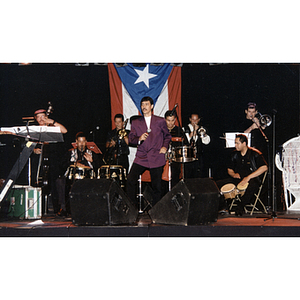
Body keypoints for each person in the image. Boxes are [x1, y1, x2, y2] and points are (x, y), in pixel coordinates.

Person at [126, 96, 172, 208]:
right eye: (142, 104)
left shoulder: (160, 121)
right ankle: (132, 207)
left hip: (156, 157)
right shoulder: (136, 122)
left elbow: (167, 136)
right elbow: (131, 140)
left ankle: (156, 210)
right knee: (130, 180)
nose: (144, 107)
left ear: (151, 106)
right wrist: (139, 139)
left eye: (146, 104)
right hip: (141, 157)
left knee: (157, 186)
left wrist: (164, 147)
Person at [217, 134, 268, 216]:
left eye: (237, 143)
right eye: (235, 143)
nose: (235, 145)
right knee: (217, 184)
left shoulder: (255, 154)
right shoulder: (234, 155)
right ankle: (223, 207)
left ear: (244, 143)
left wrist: (248, 177)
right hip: (238, 179)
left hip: (252, 179)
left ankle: (240, 207)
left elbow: (264, 167)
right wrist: (233, 174)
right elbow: (229, 169)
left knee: (251, 187)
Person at [56, 131, 101, 217]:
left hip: (87, 178)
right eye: (79, 141)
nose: (81, 144)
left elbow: (99, 167)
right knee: (60, 181)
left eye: (83, 141)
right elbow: (62, 165)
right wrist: (73, 163)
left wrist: (92, 161)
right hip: (72, 178)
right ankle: (63, 208)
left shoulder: (91, 153)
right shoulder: (71, 153)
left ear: (86, 142)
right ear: (76, 142)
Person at [32, 108, 67, 214]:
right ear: (36, 119)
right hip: (38, 161)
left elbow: (64, 130)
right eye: (39, 117)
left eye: (43, 116)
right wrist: (33, 150)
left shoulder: (52, 127)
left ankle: (59, 208)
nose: (41, 119)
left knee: (56, 181)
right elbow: (28, 143)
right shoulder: (34, 130)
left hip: (53, 160)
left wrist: (52, 122)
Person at [162, 110, 188, 194]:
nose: (170, 123)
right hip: (162, 160)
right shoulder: (160, 130)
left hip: (175, 161)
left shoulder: (179, 130)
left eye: (173, 120)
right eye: (168, 120)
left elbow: (185, 144)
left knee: (175, 180)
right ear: (165, 119)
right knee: (162, 183)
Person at [183, 113, 210, 178]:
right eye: (193, 119)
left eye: (196, 120)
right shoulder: (184, 128)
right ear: (190, 119)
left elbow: (207, 142)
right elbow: (186, 141)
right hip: (188, 157)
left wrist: (203, 135)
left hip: (198, 157)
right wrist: (193, 133)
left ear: (199, 120)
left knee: (198, 176)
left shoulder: (202, 129)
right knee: (188, 176)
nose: (194, 121)